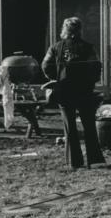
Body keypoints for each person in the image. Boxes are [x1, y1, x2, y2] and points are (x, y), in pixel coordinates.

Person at [42, 17, 105, 169]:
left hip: (64, 91)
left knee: (69, 126)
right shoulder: (88, 47)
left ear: (65, 29)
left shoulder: (56, 47)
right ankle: (94, 159)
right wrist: (91, 81)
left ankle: (74, 161)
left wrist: (54, 77)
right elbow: (96, 66)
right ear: (80, 30)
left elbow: (46, 65)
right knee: (89, 125)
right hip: (84, 91)